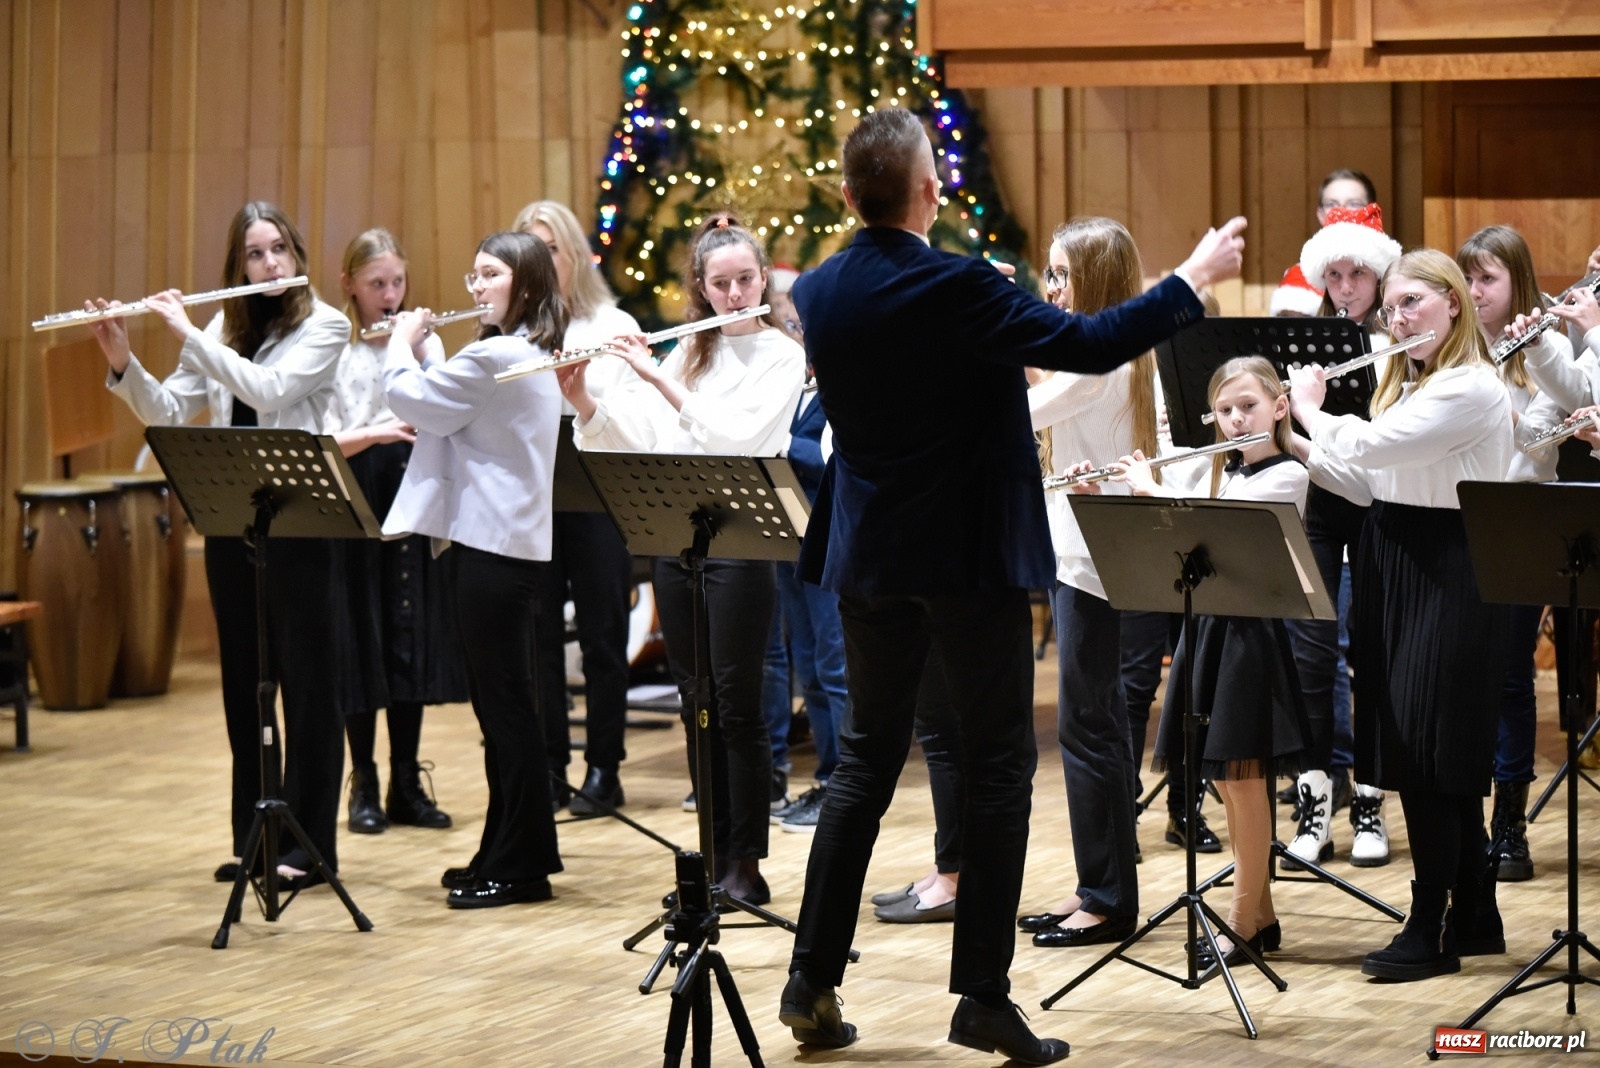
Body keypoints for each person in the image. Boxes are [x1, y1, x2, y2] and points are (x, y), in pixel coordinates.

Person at [774, 105, 1245, 1064]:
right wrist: (1192, 280)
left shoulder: (820, 292)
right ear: (926, 189)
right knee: (998, 771)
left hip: (868, 559)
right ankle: (981, 999)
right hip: (962, 561)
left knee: (863, 761)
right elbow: (1094, 341)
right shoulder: (957, 287)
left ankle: (810, 978)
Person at [95, 201, 352, 887]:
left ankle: (309, 847)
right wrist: (125, 363)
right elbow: (174, 411)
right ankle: (257, 836)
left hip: (302, 524)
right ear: (237, 265)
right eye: (255, 254)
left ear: (296, 257)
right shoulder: (221, 327)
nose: (268, 265)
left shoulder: (326, 326)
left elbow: (270, 390)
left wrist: (187, 332)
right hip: (233, 521)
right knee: (247, 684)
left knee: (308, 686)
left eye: (279, 251)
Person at [560, 212, 807, 905]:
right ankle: (711, 853)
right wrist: (584, 401)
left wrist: (656, 377)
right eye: (719, 283)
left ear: (761, 279)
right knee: (695, 703)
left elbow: (736, 438)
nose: (733, 294)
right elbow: (645, 438)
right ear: (700, 287)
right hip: (680, 540)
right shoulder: (690, 350)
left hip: (741, 546)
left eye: (744, 280)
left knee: (739, 704)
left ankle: (745, 862)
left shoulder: (783, 356)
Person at [1289, 248, 1513, 981]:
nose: (1398, 317)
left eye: (1413, 301)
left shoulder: (1472, 387)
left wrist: (1314, 411)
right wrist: (1292, 440)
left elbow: (1373, 443)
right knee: (1421, 744)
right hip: (1398, 555)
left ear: (1455, 303)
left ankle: (1429, 926)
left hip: (1449, 567)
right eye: (1393, 308)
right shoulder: (1419, 385)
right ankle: (1474, 913)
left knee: (1429, 754)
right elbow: (1367, 479)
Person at [1077, 356, 1311, 964]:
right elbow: (1172, 528)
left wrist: (1156, 491)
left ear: (1280, 407)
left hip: (1250, 644)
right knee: (1229, 787)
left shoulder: (1285, 475)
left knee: (1245, 782)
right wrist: (1102, 490)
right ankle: (1259, 916)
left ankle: (1240, 920)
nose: (1236, 420)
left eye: (1249, 407)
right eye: (1226, 410)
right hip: (1209, 635)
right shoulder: (1225, 473)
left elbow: (1218, 528)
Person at [383, 230, 566, 908]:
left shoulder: (500, 357)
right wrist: (427, 349)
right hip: (498, 548)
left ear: (524, 282)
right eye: (475, 274)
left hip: (492, 550)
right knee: (503, 710)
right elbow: (453, 399)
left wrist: (401, 343)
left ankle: (521, 866)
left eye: (490, 274)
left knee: (508, 711)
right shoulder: (513, 355)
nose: (477, 286)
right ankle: (506, 851)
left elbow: (415, 402)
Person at [1017, 217, 1179, 952]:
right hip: (1078, 551)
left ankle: (1109, 899)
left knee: (1092, 728)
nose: (1050, 288)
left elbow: (1027, 416)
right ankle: (1098, 887)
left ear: (1099, 280)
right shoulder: (1103, 352)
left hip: (1092, 559)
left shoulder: (1103, 359)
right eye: (1047, 274)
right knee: (1094, 725)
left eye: (1062, 275)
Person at [329, 228, 466, 837]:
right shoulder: (337, 346)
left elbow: (440, 406)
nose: (389, 295)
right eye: (376, 284)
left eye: (397, 283)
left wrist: (417, 348)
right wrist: (380, 429)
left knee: (407, 633)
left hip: (410, 489)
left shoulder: (420, 343)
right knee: (365, 631)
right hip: (359, 489)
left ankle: (407, 780)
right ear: (350, 287)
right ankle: (364, 781)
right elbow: (332, 430)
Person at [1456, 225, 1581, 882]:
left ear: (1516, 281)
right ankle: (1462, 821)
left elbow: (1568, 416)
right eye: (1468, 279)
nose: (1475, 292)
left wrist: (1526, 366)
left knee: (1509, 679)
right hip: (1453, 524)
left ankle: (1509, 826)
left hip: (1517, 522)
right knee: (1459, 679)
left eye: (1488, 279)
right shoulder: (1452, 350)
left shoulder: (1549, 348)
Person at [1283, 201, 1402, 871]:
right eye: (1335, 275)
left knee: (1375, 662)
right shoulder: (1310, 344)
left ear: (1380, 274)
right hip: (1324, 507)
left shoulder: (1398, 342)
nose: (1347, 287)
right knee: (1310, 659)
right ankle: (1312, 808)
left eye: (1359, 272)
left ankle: (1371, 808)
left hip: (1381, 508)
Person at [512, 200, 641, 817]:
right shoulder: (509, 331)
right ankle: (551, 767)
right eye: (528, 253)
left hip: (595, 500)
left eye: (550, 251)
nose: (540, 264)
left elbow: (619, 417)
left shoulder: (609, 321)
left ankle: (604, 770)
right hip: (532, 500)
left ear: (574, 257)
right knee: (536, 639)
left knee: (601, 639)